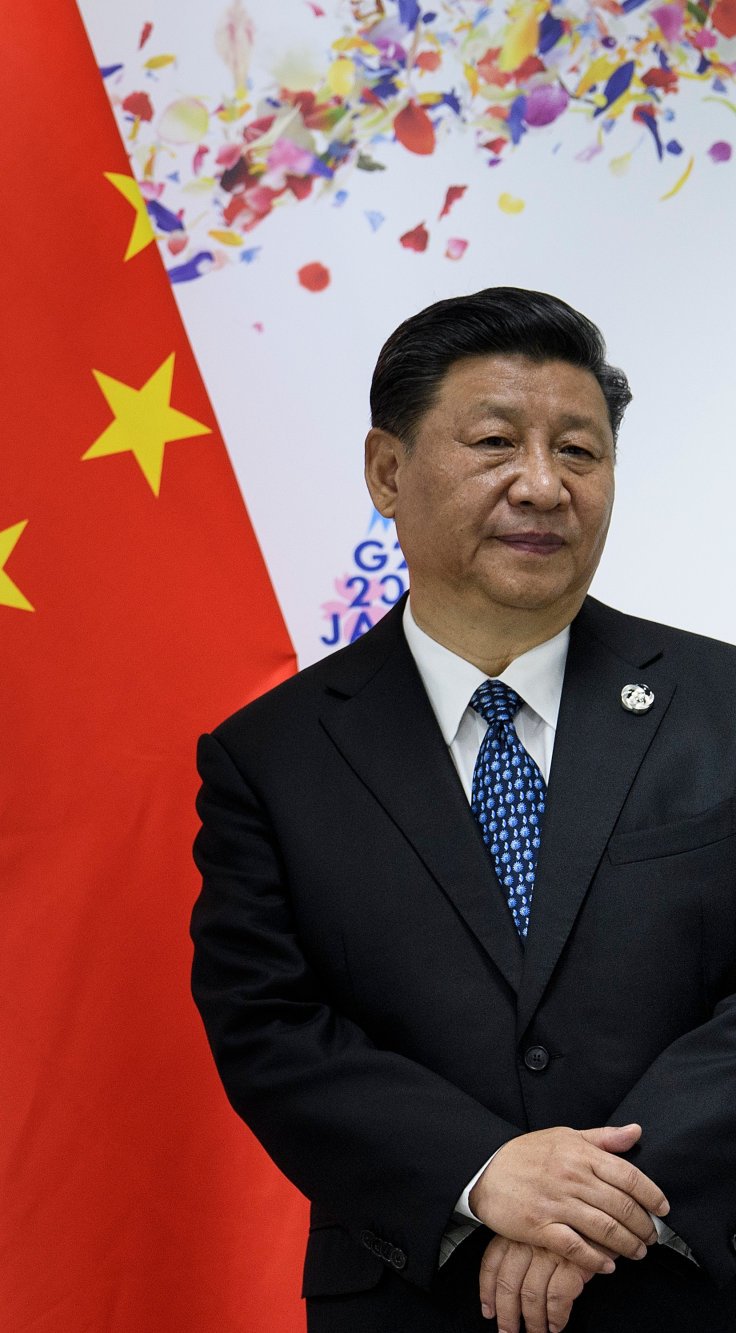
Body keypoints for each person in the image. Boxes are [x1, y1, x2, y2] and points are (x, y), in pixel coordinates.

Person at [190, 287, 736, 1333]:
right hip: (417, 1292)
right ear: (386, 472)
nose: (541, 485)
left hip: (694, 1277)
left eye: (577, 452)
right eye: (494, 442)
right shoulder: (271, 758)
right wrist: (482, 1173)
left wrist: (597, 1201)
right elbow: (269, 1028)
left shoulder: (721, 710)